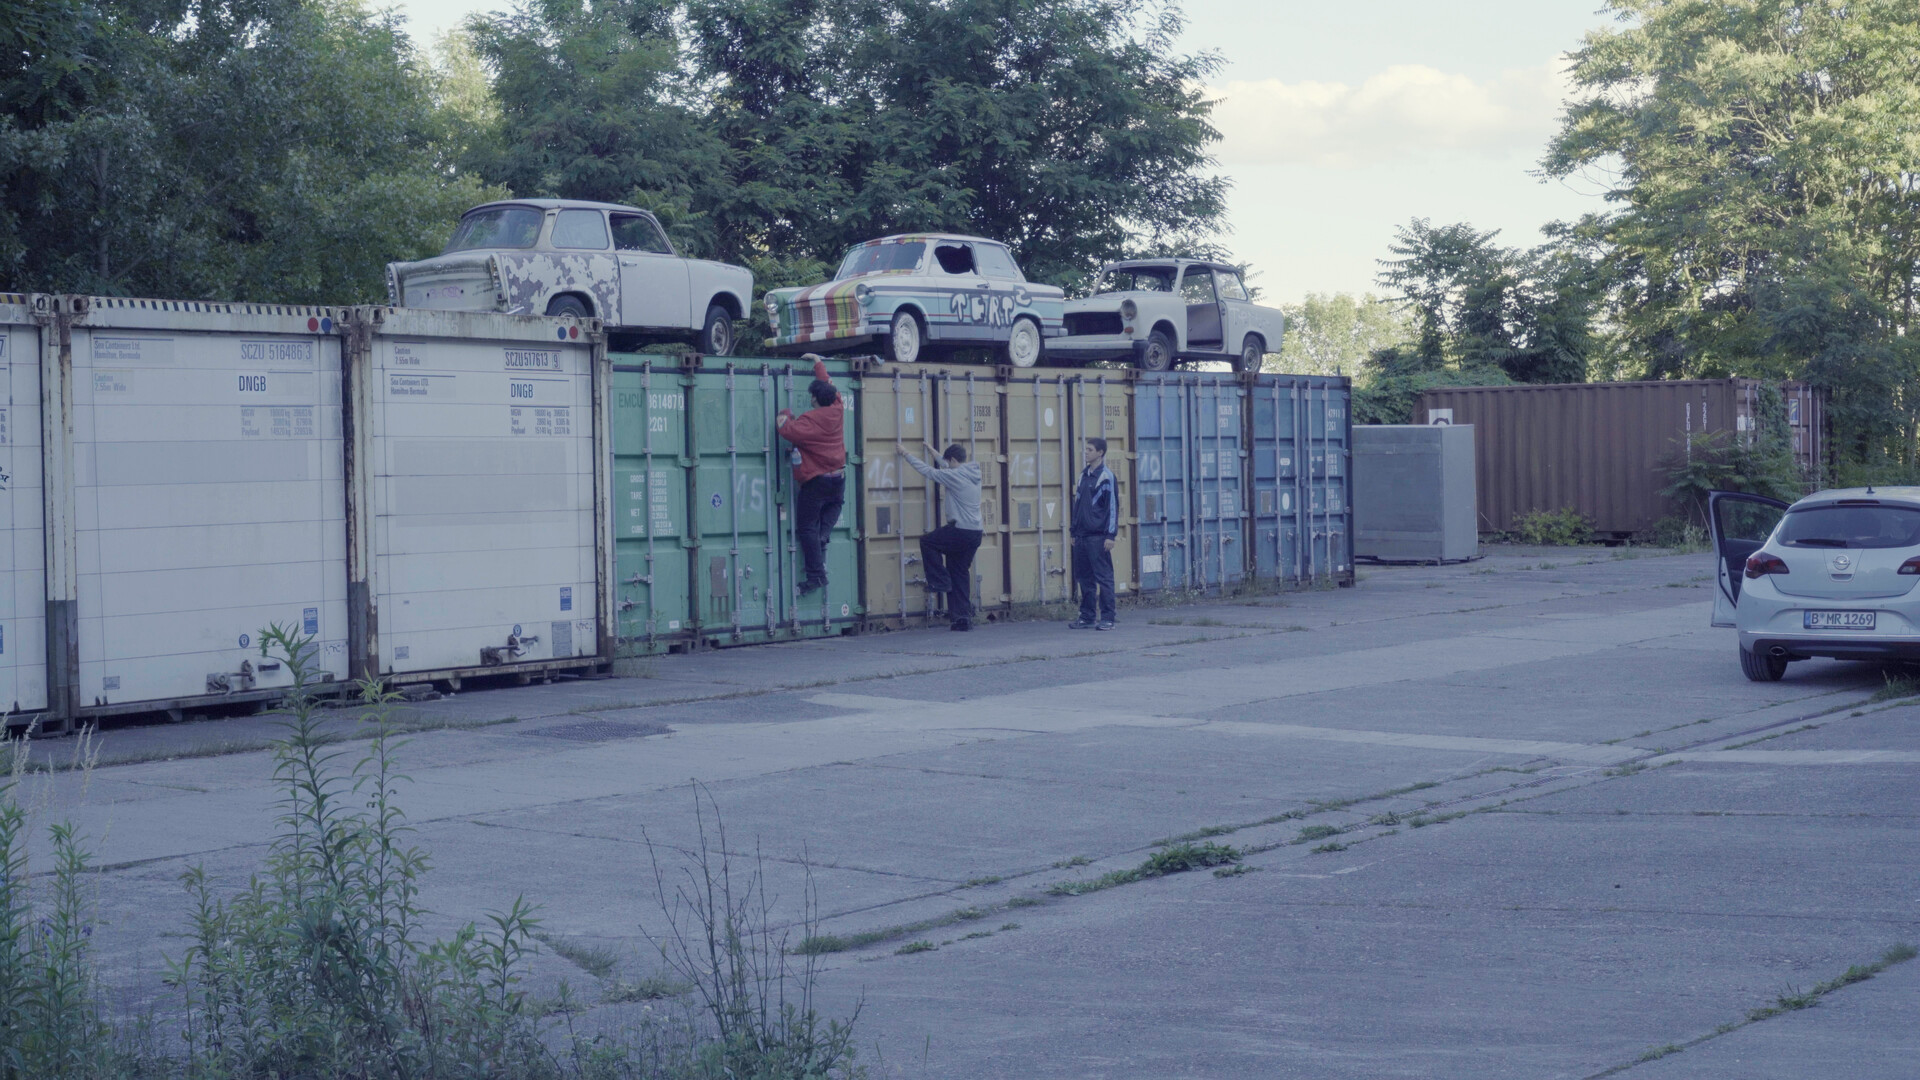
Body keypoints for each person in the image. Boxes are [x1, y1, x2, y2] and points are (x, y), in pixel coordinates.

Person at [775, 355, 845, 593]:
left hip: (816, 482)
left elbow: (785, 428)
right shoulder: (838, 408)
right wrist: (817, 362)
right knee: (836, 504)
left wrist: (785, 412)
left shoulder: (810, 421)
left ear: (814, 398)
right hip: (839, 477)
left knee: (807, 528)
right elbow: (828, 383)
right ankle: (824, 534)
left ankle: (816, 576)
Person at [901, 442, 985, 631]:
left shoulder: (954, 476)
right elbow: (947, 465)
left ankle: (940, 581)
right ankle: (962, 619)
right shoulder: (972, 473)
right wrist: (933, 452)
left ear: (953, 460)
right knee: (959, 572)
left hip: (960, 530)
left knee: (927, 542)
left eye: (948, 462)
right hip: (975, 533)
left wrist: (906, 454)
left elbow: (929, 472)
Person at [1069, 437, 1118, 630]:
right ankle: (1087, 617)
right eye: (1086, 449)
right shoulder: (1083, 476)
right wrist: (1073, 531)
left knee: (1104, 578)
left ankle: (1108, 618)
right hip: (1081, 536)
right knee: (1084, 578)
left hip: (1098, 537)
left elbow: (1112, 508)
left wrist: (1110, 535)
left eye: (1090, 450)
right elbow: (1077, 505)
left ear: (1100, 453)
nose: (1086, 453)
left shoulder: (1106, 477)